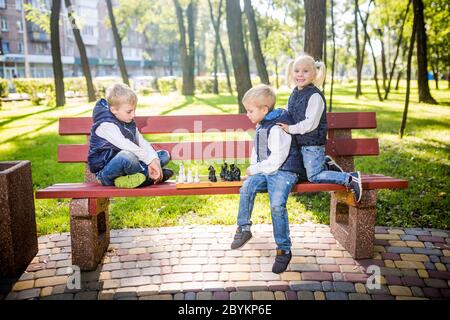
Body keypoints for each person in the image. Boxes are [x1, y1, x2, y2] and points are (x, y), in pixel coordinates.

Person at [230, 84, 307, 274]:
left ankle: (283, 249)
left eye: (250, 110)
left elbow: (277, 160)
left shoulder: (277, 128)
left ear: (264, 110)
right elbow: (258, 153)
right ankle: (244, 228)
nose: (247, 114)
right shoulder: (261, 125)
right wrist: (253, 171)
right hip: (267, 170)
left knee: (276, 205)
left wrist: (255, 169)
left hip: (285, 171)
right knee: (247, 187)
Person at [277, 53, 362, 202]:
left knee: (314, 176)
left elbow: (310, 124)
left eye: (305, 71)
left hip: (312, 145)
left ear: (314, 73)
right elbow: (289, 110)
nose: (300, 74)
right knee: (297, 172)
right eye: (297, 71)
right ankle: (326, 164)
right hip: (299, 144)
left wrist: (290, 129)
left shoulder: (315, 96)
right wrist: (277, 116)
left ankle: (350, 178)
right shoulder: (295, 93)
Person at [87, 83, 173, 188]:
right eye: (129, 111)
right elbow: (126, 145)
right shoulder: (105, 125)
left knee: (163, 155)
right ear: (114, 110)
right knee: (126, 156)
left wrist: (154, 160)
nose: (133, 115)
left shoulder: (127, 120)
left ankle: (139, 177)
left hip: (131, 167)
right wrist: (150, 161)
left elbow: (142, 142)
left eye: (134, 110)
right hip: (107, 172)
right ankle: (150, 177)